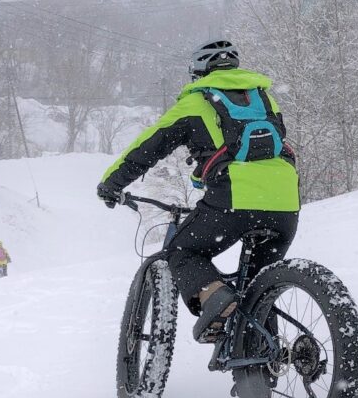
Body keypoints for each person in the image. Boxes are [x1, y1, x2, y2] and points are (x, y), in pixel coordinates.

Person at [97, 40, 300, 344]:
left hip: (234, 202)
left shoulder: (195, 103)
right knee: (260, 286)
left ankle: (214, 296)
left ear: (198, 73)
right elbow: (254, 151)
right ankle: (261, 366)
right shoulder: (264, 98)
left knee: (181, 251)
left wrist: (112, 184)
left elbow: (148, 148)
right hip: (285, 203)